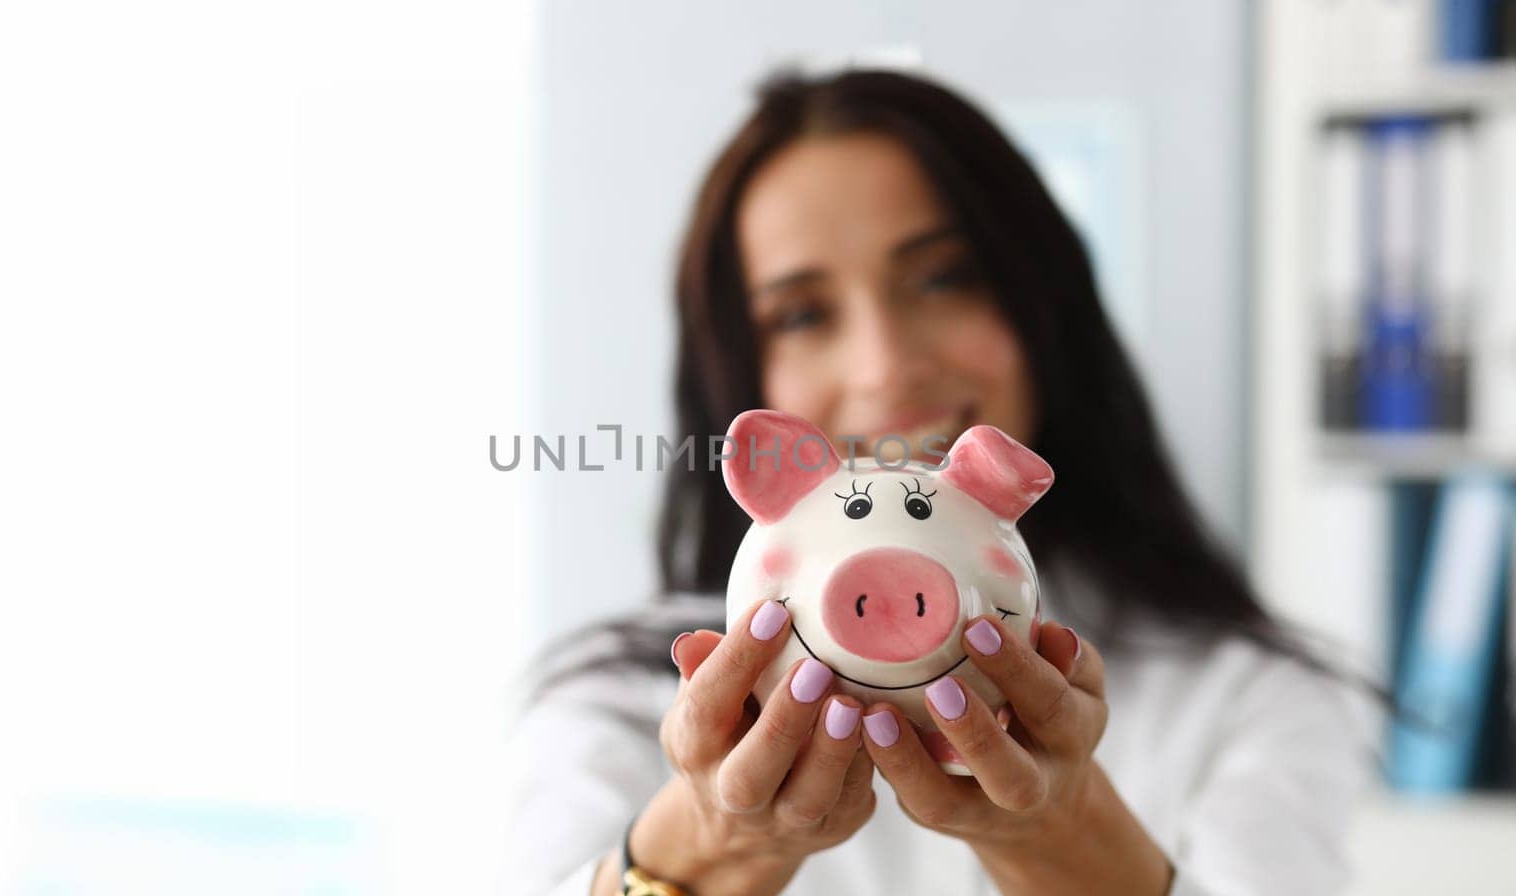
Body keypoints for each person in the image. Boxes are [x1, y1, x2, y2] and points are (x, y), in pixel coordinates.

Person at [503, 67, 1381, 895]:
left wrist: (1071, 843)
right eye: (802, 314)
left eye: (943, 277)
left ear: (1044, 303)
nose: (886, 369)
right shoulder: (614, 705)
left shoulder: (1250, 703)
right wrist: (707, 849)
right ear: (746, 394)